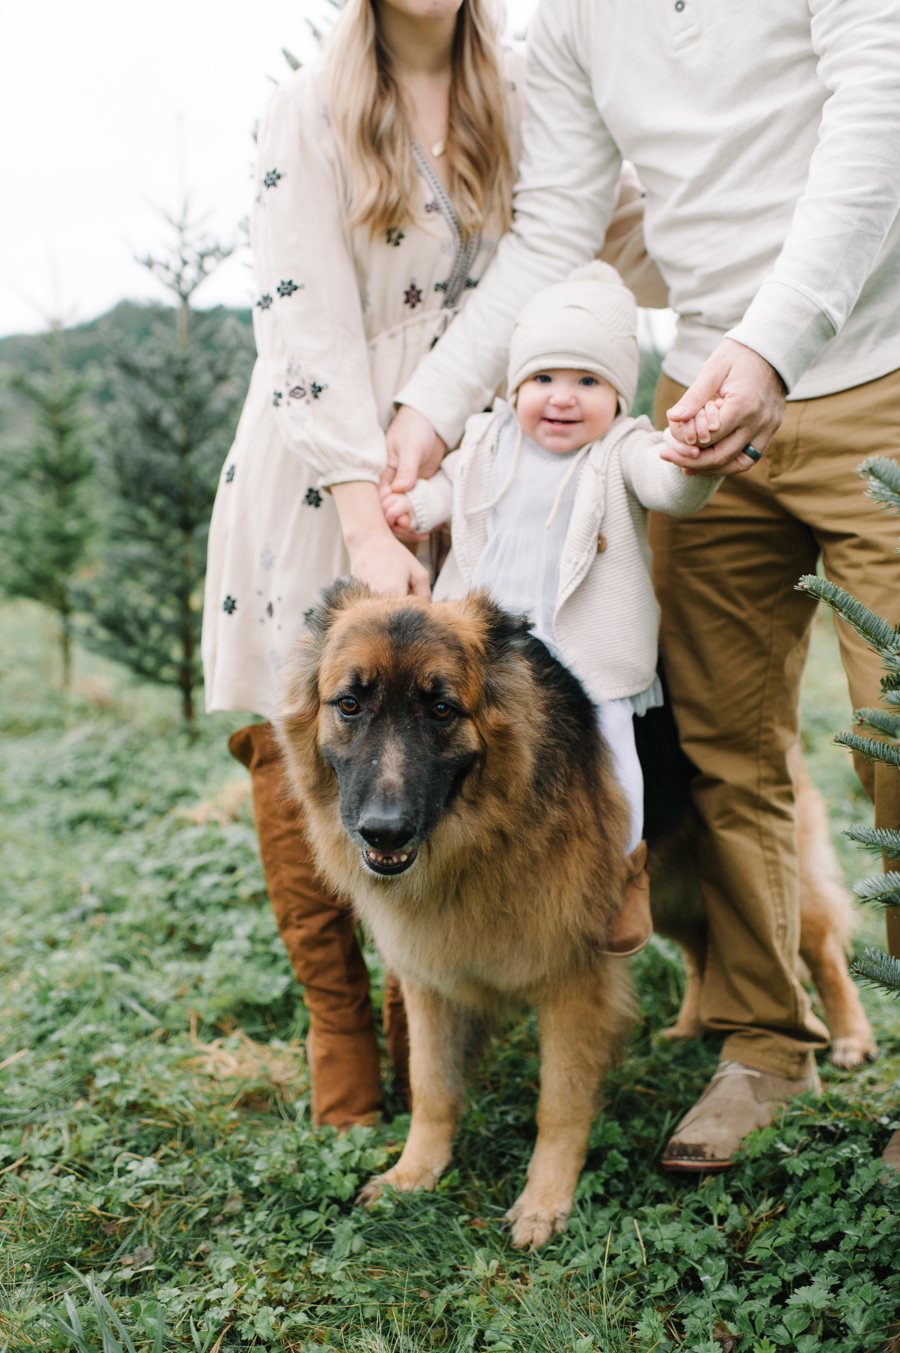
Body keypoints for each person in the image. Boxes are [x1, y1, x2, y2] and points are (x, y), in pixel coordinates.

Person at [386, 0, 900, 1168]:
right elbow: (559, 226)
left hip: (875, 362)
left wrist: (775, 346)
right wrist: (433, 403)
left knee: (897, 740)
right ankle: (765, 1045)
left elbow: (877, 136)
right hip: (704, 410)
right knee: (720, 746)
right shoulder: (569, 14)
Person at [202, 0, 661, 1130]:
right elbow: (300, 322)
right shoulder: (306, 110)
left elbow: (623, 234)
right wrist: (366, 522)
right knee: (317, 721)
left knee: (464, 714)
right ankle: (341, 1031)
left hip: (487, 453)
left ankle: (443, 1025)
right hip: (332, 457)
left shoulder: (530, 85)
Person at [383, 261, 721, 953]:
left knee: (619, 762)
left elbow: (668, 487)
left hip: (589, 649)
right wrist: (413, 506)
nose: (562, 399)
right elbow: (447, 488)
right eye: (543, 379)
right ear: (516, 386)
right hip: (486, 644)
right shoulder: (489, 437)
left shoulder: (624, 448)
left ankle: (628, 873)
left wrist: (692, 462)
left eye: (588, 382)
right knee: (475, 748)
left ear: (619, 394)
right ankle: (481, 867)